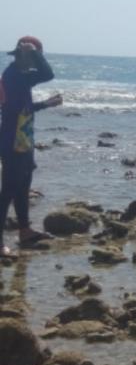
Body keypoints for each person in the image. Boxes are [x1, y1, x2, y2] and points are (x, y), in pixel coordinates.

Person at [0, 36, 62, 258]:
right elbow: (48, 74)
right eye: (35, 58)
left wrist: (46, 103)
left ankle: (24, 231)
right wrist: (33, 52)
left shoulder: (19, 76)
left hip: (22, 137)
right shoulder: (14, 76)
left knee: (23, 186)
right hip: (12, 139)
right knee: (8, 190)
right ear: (23, 56)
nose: (36, 62)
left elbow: (23, 108)